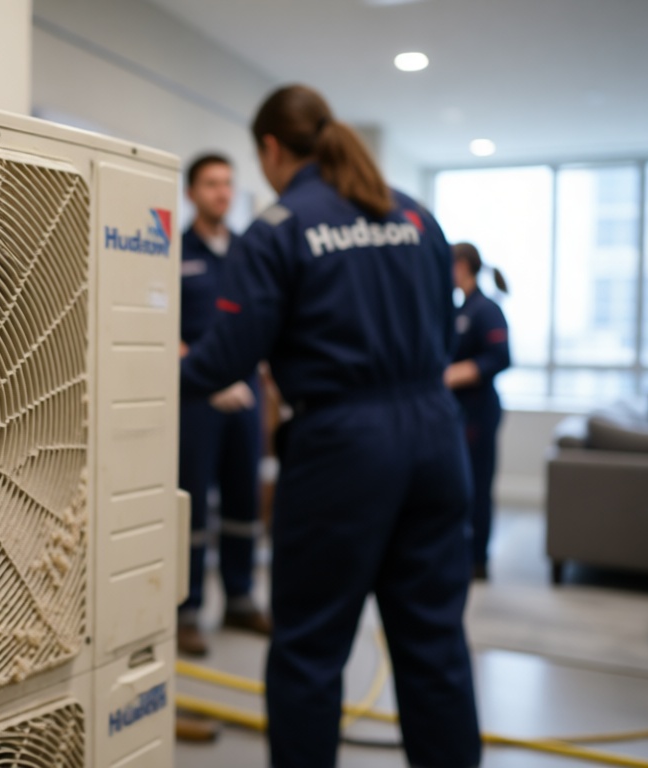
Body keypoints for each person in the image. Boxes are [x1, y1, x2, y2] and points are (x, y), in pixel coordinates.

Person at [180, 85, 481, 768]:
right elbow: (442, 330)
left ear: (273, 149)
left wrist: (159, 381)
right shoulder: (415, 216)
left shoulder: (282, 227)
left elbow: (231, 352)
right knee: (434, 645)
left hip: (345, 448)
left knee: (310, 650)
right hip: (435, 436)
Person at [176, 152, 271, 660]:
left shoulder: (247, 252)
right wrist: (206, 376)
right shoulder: (173, 250)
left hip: (246, 394)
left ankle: (238, 596)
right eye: (211, 183)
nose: (222, 192)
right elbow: (160, 326)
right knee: (192, 503)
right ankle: (186, 608)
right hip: (196, 396)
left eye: (228, 184)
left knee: (243, 502)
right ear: (192, 192)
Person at [445, 243, 511, 581]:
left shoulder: (485, 309)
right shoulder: (459, 309)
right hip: (457, 411)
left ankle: (478, 560)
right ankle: (460, 553)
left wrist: (454, 375)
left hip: (479, 410)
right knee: (459, 483)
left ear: (463, 266)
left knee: (477, 483)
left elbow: (500, 357)